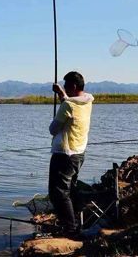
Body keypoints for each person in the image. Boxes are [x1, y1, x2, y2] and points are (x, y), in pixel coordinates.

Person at [48, 71, 94, 235]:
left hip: (64, 154)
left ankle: (70, 228)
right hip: (79, 154)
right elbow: (71, 105)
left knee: (58, 193)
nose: (65, 88)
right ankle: (75, 223)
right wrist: (61, 94)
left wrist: (62, 101)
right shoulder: (87, 101)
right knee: (69, 190)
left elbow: (53, 129)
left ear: (73, 86)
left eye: (66, 86)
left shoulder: (68, 105)